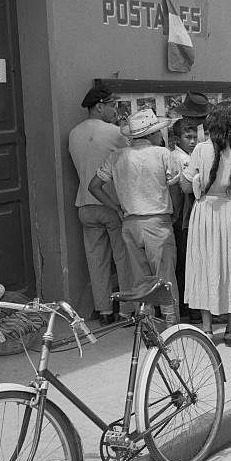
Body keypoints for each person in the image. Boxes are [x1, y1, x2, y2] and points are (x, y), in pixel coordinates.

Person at [181, 104, 231, 345]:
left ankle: (206, 328)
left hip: (206, 212)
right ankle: (230, 328)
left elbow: (186, 187)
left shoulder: (200, 150)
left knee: (205, 265)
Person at [88, 109, 181, 324]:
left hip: (130, 224)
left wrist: (117, 208)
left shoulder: (117, 156)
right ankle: (171, 323)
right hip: (157, 222)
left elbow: (94, 186)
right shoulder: (162, 154)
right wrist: (174, 213)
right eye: (158, 132)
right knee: (165, 277)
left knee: (140, 279)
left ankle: (145, 322)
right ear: (151, 135)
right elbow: (175, 189)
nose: (161, 136)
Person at [68, 85, 132, 325]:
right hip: (111, 202)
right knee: (123, 258)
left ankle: (103, 309)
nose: (114, 109)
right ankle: (127, 308)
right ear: (99, 106)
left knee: (96, 260)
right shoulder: (115, 133)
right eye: (111, 105)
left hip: (84, 203)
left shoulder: (74, 133)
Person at [171, 118, 201, 322]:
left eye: (194, 137)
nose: (192, 141)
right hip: (183, 217)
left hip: (184, 216)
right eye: (187, 137)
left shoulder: (186, 155)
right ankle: (188, 307)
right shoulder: (180, 159)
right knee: (185, 263)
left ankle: (187, 306)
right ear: (177, 139)